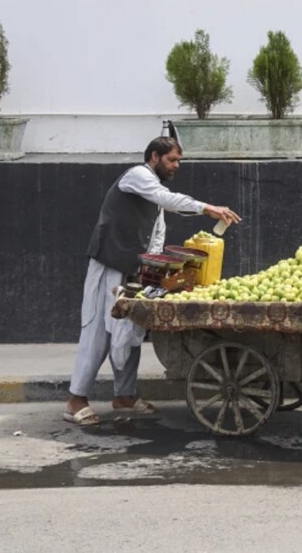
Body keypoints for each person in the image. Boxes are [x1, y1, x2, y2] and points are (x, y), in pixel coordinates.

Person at [63, 134, 241, 426]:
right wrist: (207, 208)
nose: (176, 165)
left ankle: (125, 396)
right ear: (154, 157)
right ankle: (76, 400)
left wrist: (155, 270)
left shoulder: (153, 192)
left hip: (133, 270)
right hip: (108, 265)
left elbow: (157, 235)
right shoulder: (137, 176)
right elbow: (167, 200)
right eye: (172, 160)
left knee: (129, 330)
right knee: (98, 332)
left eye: (179, 161)